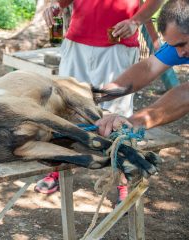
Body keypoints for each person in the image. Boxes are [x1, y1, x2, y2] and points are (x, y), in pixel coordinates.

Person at [35, 0, 163, 200]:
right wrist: (58, 4)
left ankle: (123, 180)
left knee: (117, 116)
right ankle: (57, 170)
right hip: (77, 41)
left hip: (118, 44)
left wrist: (136, 21)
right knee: (64, 108)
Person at [95, 0, 189, 137]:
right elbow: (148, 67)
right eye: (175, 46)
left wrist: (133, 122)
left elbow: (186, 94)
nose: (179, 53)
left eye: (181, 44)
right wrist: (97, 95)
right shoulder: (180, 41)